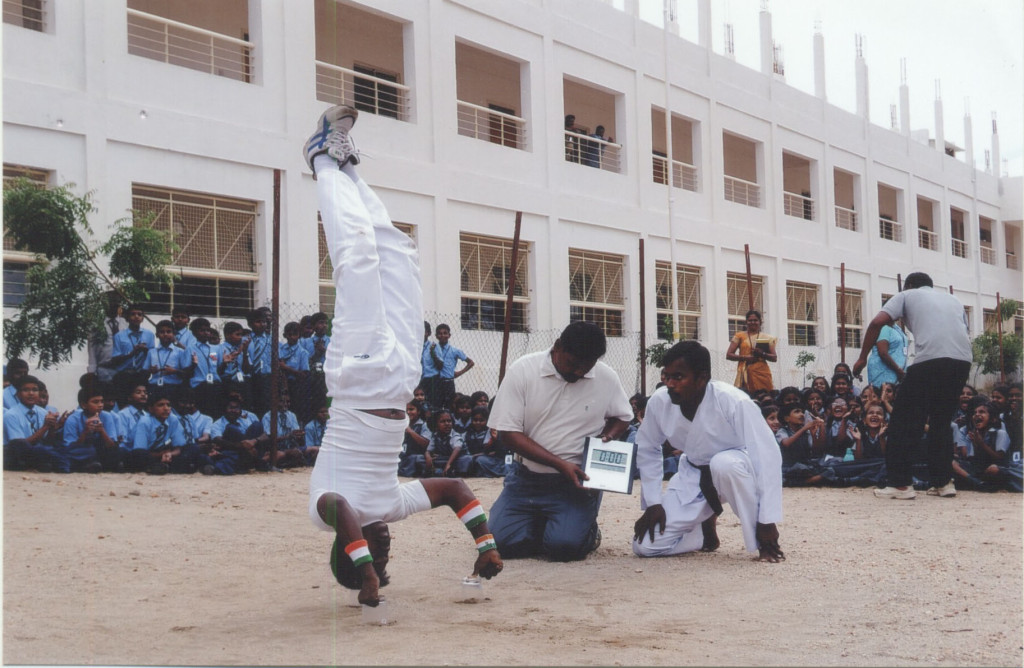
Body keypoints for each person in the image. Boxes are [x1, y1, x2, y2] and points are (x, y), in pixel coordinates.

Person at [304, 104, 501, 607]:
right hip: (398, 382)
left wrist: (367, 577)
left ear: (350, 553)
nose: (386, 550)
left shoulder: (323, 509)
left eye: (378, 556)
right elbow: (456, 487)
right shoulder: (392, 506)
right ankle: (348, 166)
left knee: (358, 259)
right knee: (398, 254)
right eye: (385, 560)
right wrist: (485, 543)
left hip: (358, 379)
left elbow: (345, 514)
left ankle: (321, 162)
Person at [487, 320, 632, 562]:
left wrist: (607, 437)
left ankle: (584, 529)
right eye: (572, 364)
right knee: (501, 544)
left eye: (586, 368)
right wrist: (559, 464)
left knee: (565, 549)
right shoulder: (523, 370)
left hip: (574, 486)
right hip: (526, 479)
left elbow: (623, 416)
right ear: (557, 347)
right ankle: (547, 522)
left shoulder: (606, 377)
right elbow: (508, 435)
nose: (577, 373)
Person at [632, 341, 785, 562]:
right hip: (693, 472)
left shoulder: (734, 401)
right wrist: (653, 502)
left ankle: (764, 542)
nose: (670, 384)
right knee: (644, 546)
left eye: (679, 377)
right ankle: (702, 536)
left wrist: (767, 519)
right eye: (667, 376)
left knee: (724, 464)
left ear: (701, 377)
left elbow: (766, 456)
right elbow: (648, 448)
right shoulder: (660, 401)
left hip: (737, 469)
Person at [852, 272, 972, 500]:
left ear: (908, 285)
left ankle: (900, 484)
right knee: (941, 421)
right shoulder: (953, 300)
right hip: (962, 361)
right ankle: (943, 483)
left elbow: (877, 322)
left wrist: (862, 357)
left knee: (903, 421)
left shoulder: (906, 295)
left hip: (930, 360)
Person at [3, 375, 60, 472]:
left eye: (35, 390)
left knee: (58, 450)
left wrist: (52, 427)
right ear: (18, 394)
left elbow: (48, 441)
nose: (31, 393)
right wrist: (45, 427)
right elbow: (22, 445)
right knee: (26, 447)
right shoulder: (11, 415)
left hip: (38, 450)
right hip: (18, 453)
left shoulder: (43, 412)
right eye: (25, 390)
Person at [109, 304, 156, 404]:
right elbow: (115, 359)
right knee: (124, 403)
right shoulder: (119, 336)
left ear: (143, 318)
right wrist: (131, 353)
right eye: (133, 314)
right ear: (127, 318)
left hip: (141, 376)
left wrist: (146, 350)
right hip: (124, 376)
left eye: (139, 314)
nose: (136, 317)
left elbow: (153, 356)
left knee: (142, 404)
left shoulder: (149, 335)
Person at [726, 309, 777, 393]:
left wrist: (763, 354)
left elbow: (774, 358)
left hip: (762, 373)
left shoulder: (765, 337)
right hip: (745, 372)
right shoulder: (739, 336)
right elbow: (729, 355)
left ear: (760, 322)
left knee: (764, 396)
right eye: (750, 320)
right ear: (746, 322)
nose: (753, 322)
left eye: (755, 320)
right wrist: (745, 357)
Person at [429, 324, 474, 411]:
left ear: (449, 335)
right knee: (435, 407)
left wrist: (459, 373)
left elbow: (471, 363)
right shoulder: (433, 349)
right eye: (439, 333)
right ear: (436, 336)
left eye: (445, 333)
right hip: (435, 382)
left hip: (448, 383)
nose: (442, 335)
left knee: (449, 407)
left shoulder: (455, 351)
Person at [866, 318, 908, 391]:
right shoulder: (883, 327)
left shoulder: (897, 328)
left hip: (898, 376)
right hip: (883, 374)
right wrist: (898, 370)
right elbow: (883, 353)